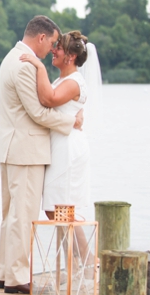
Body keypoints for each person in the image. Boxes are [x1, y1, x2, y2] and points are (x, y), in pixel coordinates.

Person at [0, 16, 83, 294]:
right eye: (52, 42)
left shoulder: (11, 58)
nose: (52, 49)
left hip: (11, 148)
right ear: (41, 38)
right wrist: (71, 123)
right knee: (22, 215)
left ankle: (4, 272)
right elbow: (37, 111)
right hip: (26, 151)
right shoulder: (24, 65)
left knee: (10, 214)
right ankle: (18, 277)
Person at [18, 30, 101, 223]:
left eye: (59, 49)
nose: (54, 51)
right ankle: (77, 253)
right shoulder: (62, 80)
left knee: (60, 209)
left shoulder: (73, 82)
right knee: (54, 209)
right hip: (59, 145)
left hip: (68, 147)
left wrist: (40, 66)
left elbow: (49, 99)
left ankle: (86, 254)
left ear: (71, 57)